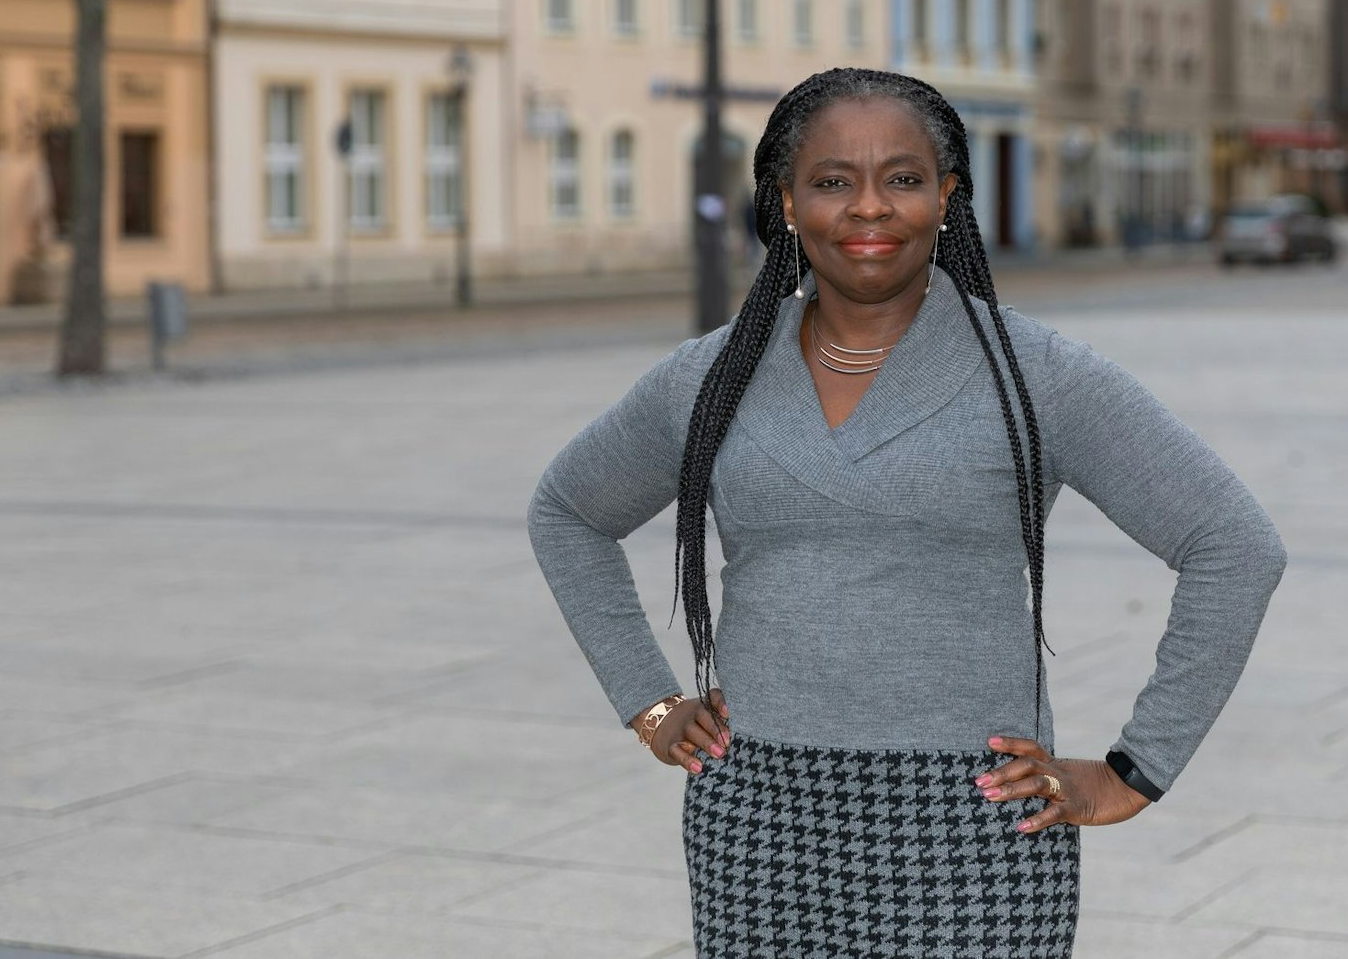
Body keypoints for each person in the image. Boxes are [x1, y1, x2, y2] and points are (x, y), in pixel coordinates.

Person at [527, 68, 1287, 956]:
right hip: (759, 824)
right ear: (785, 201)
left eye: (903, 177)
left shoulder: (1034, 374)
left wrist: (1131, 771)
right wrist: (650, 704)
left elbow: (1234, 543)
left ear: (947, 196)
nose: (869, 208)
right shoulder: (708, 378)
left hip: (972, 829)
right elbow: (568, 509)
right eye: (833, 180)